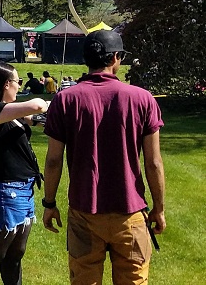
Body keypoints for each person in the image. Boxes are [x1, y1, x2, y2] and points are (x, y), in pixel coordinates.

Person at [42, 30, 165, 284]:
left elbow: (53, 160)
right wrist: (159, 208)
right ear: (116, 58)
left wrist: (49, 203)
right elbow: (153, 162)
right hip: (130, 212)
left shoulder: (65, 100)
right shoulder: (142, 99)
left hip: (84, 211)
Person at [0, 60, 49, 285]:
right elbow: (36, 106)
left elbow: (36, 118)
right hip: (6, 192)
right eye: (18, 81)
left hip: (23, 190)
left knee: (15, 255)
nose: (20, 86)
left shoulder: (11, 115)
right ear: (6, 84)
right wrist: (44, 103)